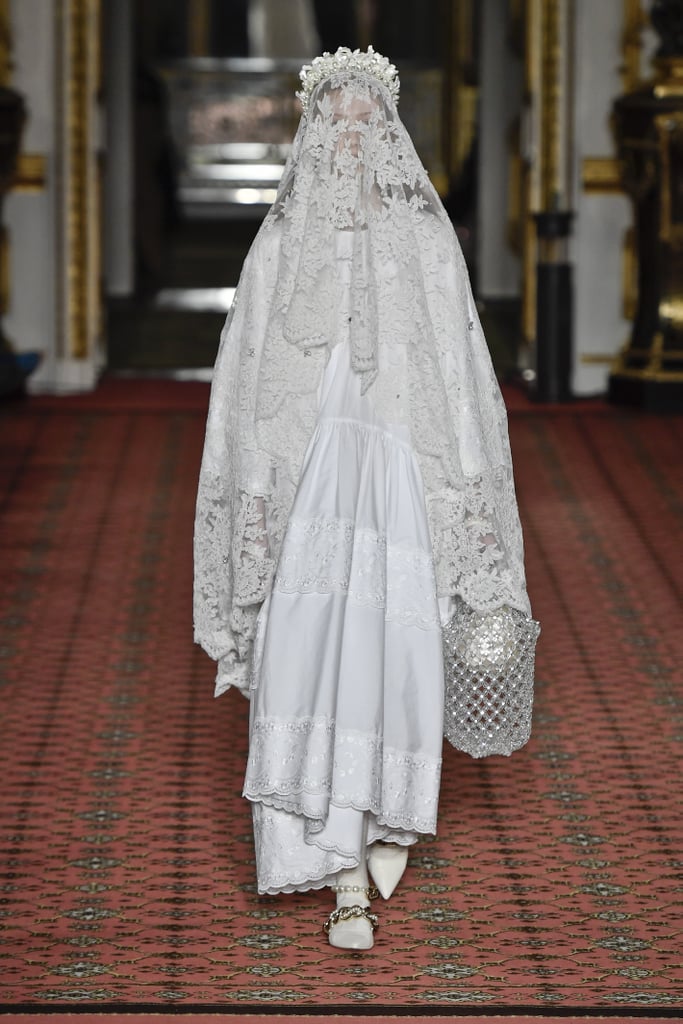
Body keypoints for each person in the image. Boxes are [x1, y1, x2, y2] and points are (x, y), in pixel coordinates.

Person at [193, 47, 539, 951]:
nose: (349, 140)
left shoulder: (426, 242)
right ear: (311, 133)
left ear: (387, 133)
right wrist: (257, 499)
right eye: (333, 122)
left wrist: (465, 489)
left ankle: (386, 822)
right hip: (312, 489)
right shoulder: (279, 245)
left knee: (398, 650)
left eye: (365, 123)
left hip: (398, 481)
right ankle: (335, 863)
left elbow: (462, 380)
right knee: (310, 652)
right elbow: (246, 392)